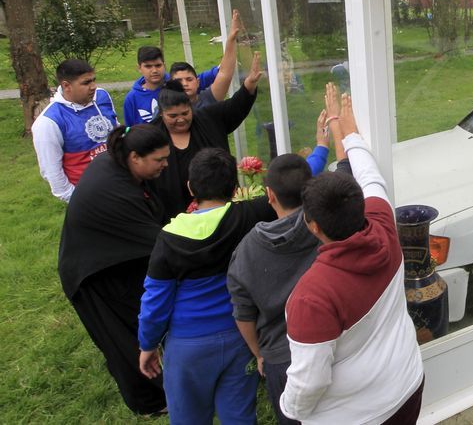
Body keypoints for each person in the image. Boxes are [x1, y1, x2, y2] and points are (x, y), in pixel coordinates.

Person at [280, 93, 424, 424]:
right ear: (360, 204)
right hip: (407, 387)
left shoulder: (311, 296)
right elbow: (371, 176)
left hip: (359, 416)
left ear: (313, 226)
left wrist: (290, 410)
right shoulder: (385, 225)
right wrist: (349, 132)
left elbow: (308, 382)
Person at [227, 84, 351, 425]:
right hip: (336, 343)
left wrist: (259, 354)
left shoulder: (246, 251)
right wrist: (329, 134)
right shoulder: (330, 225)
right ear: (310, 187)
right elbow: (347, 168)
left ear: (269, 195)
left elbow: (243, 314)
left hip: (282, 357)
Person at [138, 148, 277, 424]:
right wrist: (321, 149)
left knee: (188, 417)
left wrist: (148, 344)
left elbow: (155, 301)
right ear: (236, 188)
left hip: (187, 347)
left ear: (190, 187)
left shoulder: (168, 239)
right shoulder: (250, 215)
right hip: (241, 337)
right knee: (239, 416)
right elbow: (291, 185)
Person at [58, 124, 170, 415]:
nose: (165, 164)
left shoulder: (118, 163)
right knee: (124, 340)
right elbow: (165, 246)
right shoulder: (117, 194)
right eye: (159, 160)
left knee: (137, 324)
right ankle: (150, 403)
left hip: (114, 259)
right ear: (135, 157)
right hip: (91, 274)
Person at [151, 51, 263, 219]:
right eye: (173, 116)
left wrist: (249, 84)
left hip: (223, 212)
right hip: (173, 218)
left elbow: (235, 106)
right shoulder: (151, 136)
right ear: (161, 114)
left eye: (185, 113)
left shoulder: (208, 118)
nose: (180, 120)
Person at [32, 59, 118, 202]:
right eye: (86, 83)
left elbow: (115, 129)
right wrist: (81, 201)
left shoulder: (102, 96)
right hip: (90, 198)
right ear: (66, 86)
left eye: (93, 80)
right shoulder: (48, 122)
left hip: (120, 184)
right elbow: (52, 173)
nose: (93, 87)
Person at [171, 9, 247, 110]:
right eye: (179, 81)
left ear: (198, 82)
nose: (184, 84)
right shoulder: (163, 108)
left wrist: (231, 39)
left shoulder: (207, 100)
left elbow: (224, 74)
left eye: (189, 79)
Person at [123, 45, 218, 125]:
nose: (154, 70)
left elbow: (207, 76)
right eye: (148, 66)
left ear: (164, 65)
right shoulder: (132, 98)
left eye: (158, 65)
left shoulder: (177, 83)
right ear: (139, 68)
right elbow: (131, 130)